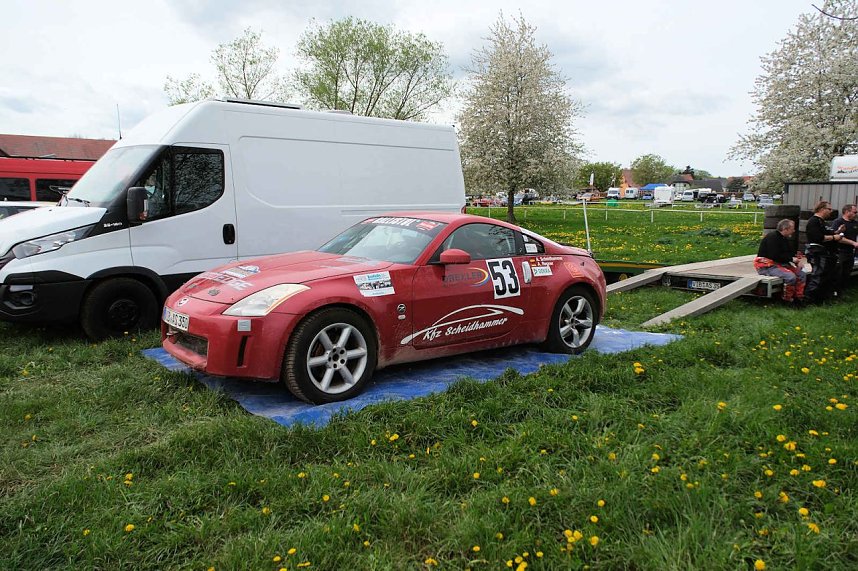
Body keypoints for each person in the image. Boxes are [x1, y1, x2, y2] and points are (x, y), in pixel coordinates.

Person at [753, 219, 807, 303]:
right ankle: (787, 299)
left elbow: (788, 254)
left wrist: (797, 260)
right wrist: (792, 259)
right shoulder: (772, 237)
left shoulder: (784, 239)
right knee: (790, 277)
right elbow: (774, 255)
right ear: (785, 229)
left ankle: (799, 297)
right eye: (792, 229)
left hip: (780, 264)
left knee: (801, 274)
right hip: (767, 266)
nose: (794, 231)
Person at [804, 201, 844, 304]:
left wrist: (838, 232)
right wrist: (835, 237)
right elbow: (817, 237)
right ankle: (809, 300)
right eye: (829, 209)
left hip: (827, 254)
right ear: (822, 209)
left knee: (827, 277)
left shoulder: (822, 222)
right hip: (818, 254)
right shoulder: (813, 222)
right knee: (818, 276)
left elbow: (828, 233)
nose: (831, 211)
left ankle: (821, 299)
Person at [829, 204, 858, 295]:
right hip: (840, 252)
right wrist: (853, 243)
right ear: (847, 212)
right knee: (838, 273)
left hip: (851, 252)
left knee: (847, 272)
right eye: (854, 212)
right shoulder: (838, 222)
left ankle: (841, 291)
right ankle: (833, 292)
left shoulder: (855, 223)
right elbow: (838, 238)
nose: (856, 214)